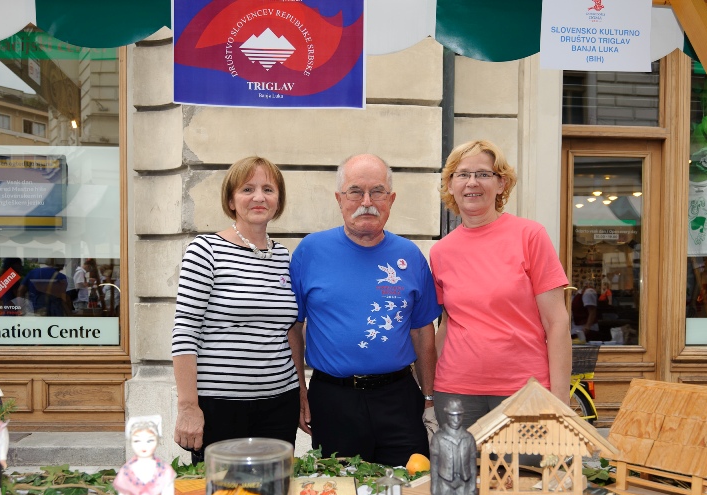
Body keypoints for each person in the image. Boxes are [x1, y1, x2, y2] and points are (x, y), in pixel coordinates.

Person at [290, 153, 441, 466]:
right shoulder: (310, 251)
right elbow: (293, 327)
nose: (367, 201)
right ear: (339, 199)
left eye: (378, 192)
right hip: (333, 400)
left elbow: (422, 332)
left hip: (399, 399)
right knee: (340, 488)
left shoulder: (410, 255)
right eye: (356, 191)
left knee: (409, 485)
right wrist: (299, 390)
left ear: (391, 199)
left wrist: (429, 400)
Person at [430, 140, 571, 431]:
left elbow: (556, 322)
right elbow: (447, 323)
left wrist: (560, 399)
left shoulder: (530, 236)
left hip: (525, 392)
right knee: (461, 464)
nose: (472, 182)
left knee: (526, 463)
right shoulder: (441, 251)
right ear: (451, 185)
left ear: (501, 183)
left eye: (483, 174)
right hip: (455, 393)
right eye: (462, 174)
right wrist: (428, 391)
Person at [172, 156, 304, 463]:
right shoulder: (205, 250)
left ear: (278, 200)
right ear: (231, 201)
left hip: (279, 404)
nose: (259, 197)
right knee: (223, 491)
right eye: (247, 189)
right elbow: (185, 331)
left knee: (273, 488)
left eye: (268, 189)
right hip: (220, 406)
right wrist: (188, 406)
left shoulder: (285, 257)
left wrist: (300, 393)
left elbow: (289, 330)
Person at [113, 415, 181, 495]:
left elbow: (167, 491)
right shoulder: (127, 470)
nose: (143, 446)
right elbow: (124, 493)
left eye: (150, 440)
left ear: (157, 441)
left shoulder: (163, 469)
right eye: (137, 441)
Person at [430, 399, 476, 495]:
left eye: (459, 415)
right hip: (444, 483)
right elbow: (434, 465)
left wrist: (472, 488)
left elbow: (472, 465)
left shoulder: (468, 438)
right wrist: (434, 489)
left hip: (463, 483)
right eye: (452, 415)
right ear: (447, 415)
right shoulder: (438, 438)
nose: (456, 420)